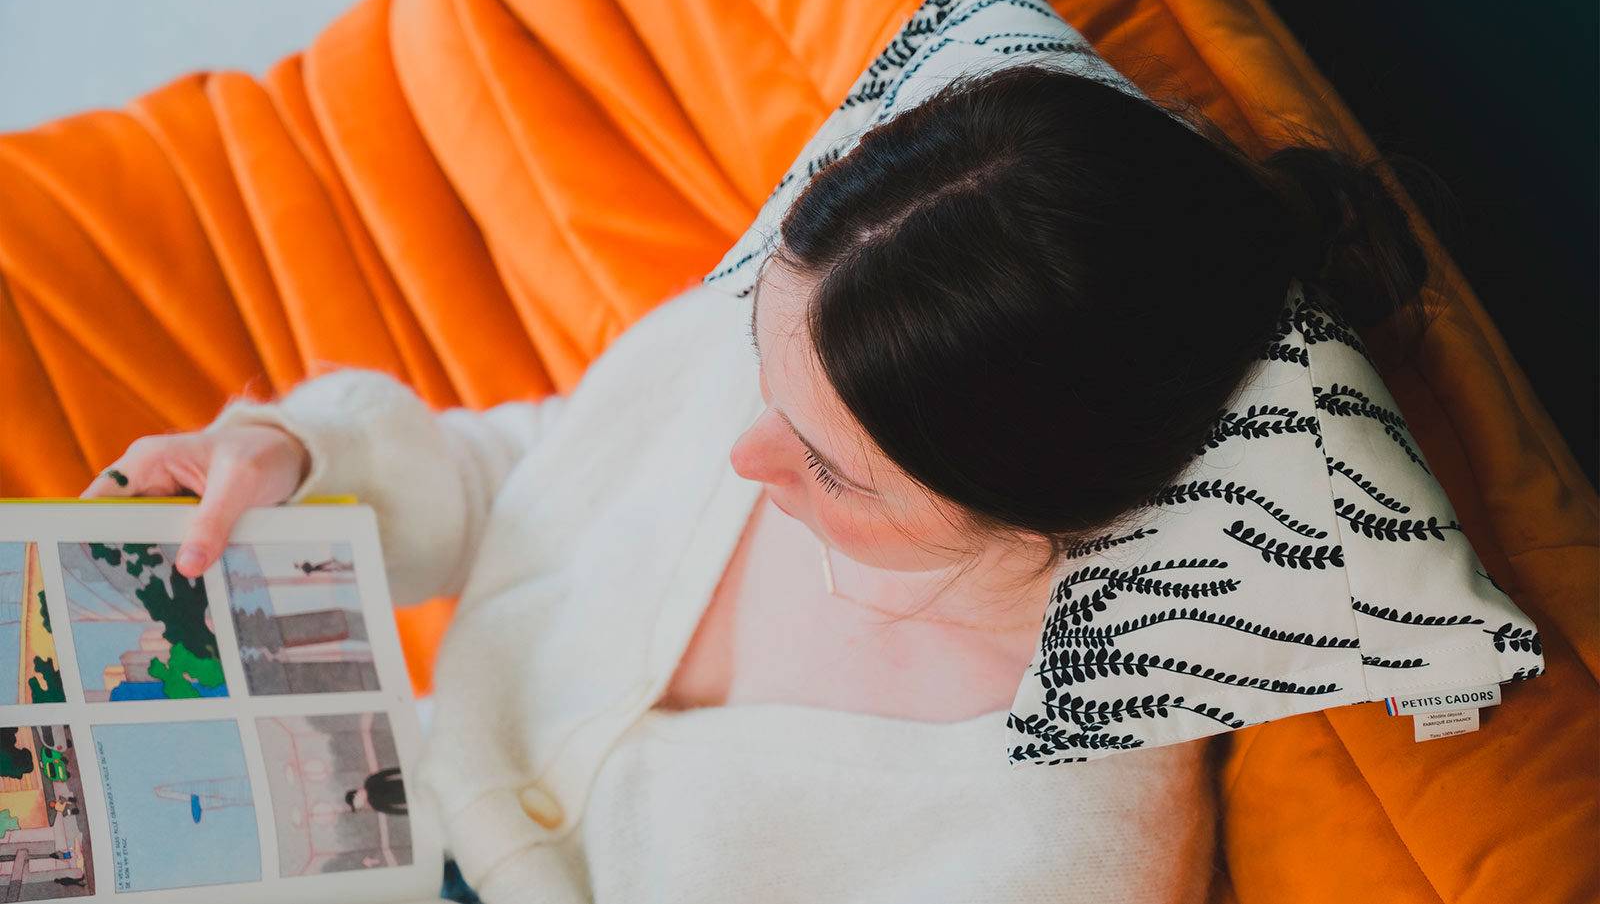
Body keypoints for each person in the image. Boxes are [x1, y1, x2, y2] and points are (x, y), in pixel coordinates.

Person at [81, 63, 1436, 903]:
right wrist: (302, 467)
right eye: (758, 372)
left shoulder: (1056, 837)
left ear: (1040, 513)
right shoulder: (809, 352)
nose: (742, 452)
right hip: (342, 809)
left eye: (834, 471)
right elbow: (532, 475)